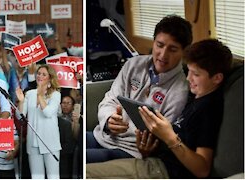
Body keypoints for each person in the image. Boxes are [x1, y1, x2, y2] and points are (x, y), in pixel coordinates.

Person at [86, 39, 233, 178]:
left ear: (217, 78)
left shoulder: (209, 109)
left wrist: (170, 138)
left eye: (196, 74)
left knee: (87, 172)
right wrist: (147, 148)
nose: (188, 79)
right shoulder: (194, 98)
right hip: (150, 158)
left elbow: (202, 169)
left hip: (162, 170)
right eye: (189, 71)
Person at [87, 15, 193, 163]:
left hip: (132, 150)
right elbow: (110, 98)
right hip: (105, 136)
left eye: (173, 49)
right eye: (160, 45)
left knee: (83, 157)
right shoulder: (134, 65)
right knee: (73, 145)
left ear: (184, 52)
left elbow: (164, 138)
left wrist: (149, 148)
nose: (163, 55)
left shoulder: (180, 91)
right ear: (154, 42)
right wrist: (109, 119)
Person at [16, 64, 61, 179]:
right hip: (33, 143)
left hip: (50, 142)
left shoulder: (55, 95)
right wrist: (21, 101)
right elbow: (20, 116)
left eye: (44, 74)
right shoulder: (30, 94)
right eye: (39, 73)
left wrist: (40, 96)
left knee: (53, 177)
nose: (40, 76)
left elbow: (48, 112)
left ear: (50, 78)